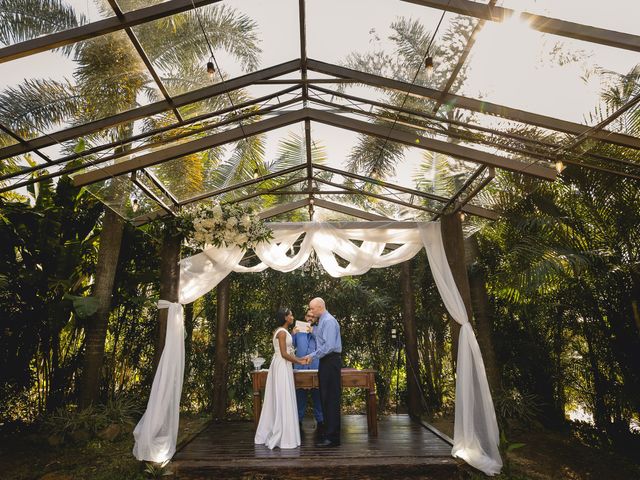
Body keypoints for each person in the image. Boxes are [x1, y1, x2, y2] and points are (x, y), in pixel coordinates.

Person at [254, 308, 304, 449]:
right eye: (291, 315)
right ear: (285, 317)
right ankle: (283, 434)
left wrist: (293, 333)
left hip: (283, 366)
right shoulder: (281, 333)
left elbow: (286, 348)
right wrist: (299, 361)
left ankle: (285, 430)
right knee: (283, 396)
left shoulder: (283, 331)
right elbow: (283, 353)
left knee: (283, 395)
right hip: (282, 365)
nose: (293, 316)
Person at [303, 297, 342, 447]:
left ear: (319, 307)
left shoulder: (329, 321)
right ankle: (329, 434)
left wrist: (312, 356)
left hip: (331, 361)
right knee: (325, 397)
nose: (311, 312)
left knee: (331, 398)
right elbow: (321, 341)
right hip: (325, 362)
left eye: (312, 309)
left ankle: (333, 438)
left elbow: (329, 346)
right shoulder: (322, 322)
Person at [292, 309, 324, 432]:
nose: (310, 318)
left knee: (318, 396)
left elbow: (324, 344)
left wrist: (313, 332)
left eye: (313, 316)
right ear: (305, 317)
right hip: (300, 368)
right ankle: (298, 421)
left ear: (316, 319)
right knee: (300, 396)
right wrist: (293, 333)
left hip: (316, 367)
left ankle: (321, 421)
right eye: (308, 316)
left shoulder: (320, 330)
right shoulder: (298, 331)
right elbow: (290, 345)